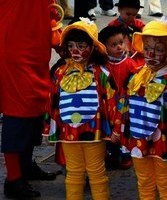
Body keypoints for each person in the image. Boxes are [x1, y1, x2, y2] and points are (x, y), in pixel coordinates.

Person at [47, 17, 122, 199]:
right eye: (71, 45)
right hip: (68, 133)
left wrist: (117, 130)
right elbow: (54, 101)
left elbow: (113, 102)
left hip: (94, 132)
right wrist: (50, 129)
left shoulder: (101, 73)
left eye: (81, 45)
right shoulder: (59, 73)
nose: (75, 50)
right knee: (73, 173)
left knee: (96, 173)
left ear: (93, 46)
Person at [122, 20, 167, 199]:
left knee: (166, 183)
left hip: (164, 142)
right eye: (147, 48)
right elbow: (125, 108)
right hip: (138, 139)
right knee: (144, 181)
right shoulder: (135, 76)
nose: (151, 54)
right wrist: (122, 134)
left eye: (159, 50)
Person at [0, 0, 59, 199]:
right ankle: (13, 179)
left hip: (37, 47)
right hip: (15, 48)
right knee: (17, 111)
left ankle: (25, 166)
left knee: (36, 106)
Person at [99, 25, 140, 170]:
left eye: (121, 43)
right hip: (108, 103)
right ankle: (110, 154)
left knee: (124, 128)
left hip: (125, 103)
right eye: (113, 45)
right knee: (109, 129)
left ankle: (125, 156)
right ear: (104, 47)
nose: (119, 47)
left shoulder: (130, 63)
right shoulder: (102, 65)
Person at [108, 0, 145, 67]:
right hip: (118, 55)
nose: (131, 17)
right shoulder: (112, 25)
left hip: (136, 55)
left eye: (134, 15)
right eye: (128, 14)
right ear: (119, 9)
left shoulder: (140, 25)